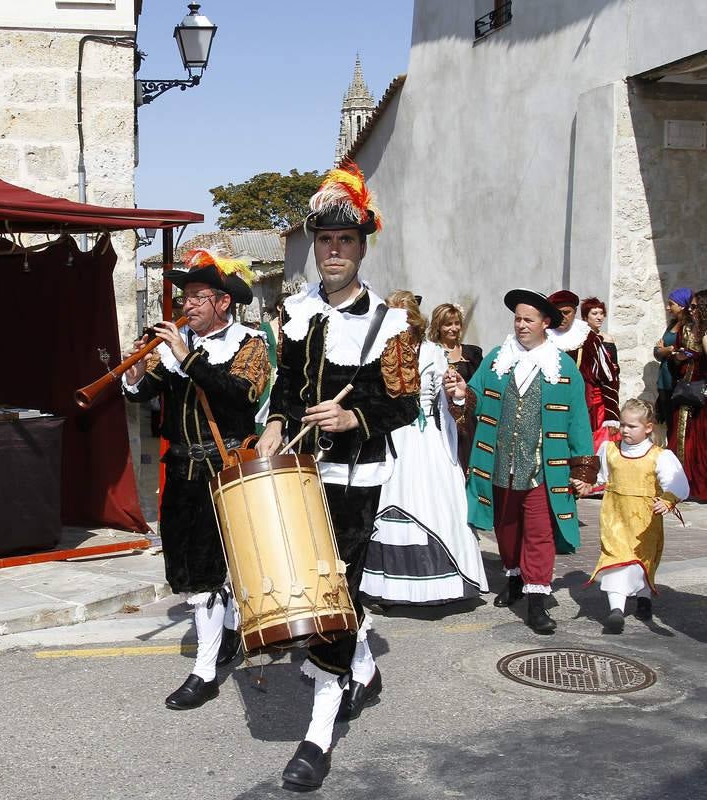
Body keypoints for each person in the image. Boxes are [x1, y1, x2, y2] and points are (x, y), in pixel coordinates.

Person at [256, 161, 420, 790]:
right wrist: (275, 421)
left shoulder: (391, 323)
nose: (332, 251)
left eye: (344, 241)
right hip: (300, 473)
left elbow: (404, 402)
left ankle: (318, 732)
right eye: (324, 240)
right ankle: (364, 669)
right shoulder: (297, 314)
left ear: (361, 247)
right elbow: (287, 393)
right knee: (308, 581)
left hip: (358, 476)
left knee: (330, 587)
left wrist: (355, 416)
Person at [123, 249, 269, 710]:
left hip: (225, 470)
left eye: (198, 297)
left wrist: (187, 357)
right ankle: (226, 635)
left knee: (213, 568)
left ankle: (204, 671)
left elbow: (240, 397)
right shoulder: (176, 344)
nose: (187, 305)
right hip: (183, 470)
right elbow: (148, 392)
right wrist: (135, 373)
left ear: (223, 302)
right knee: (189, 567)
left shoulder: (250, 344)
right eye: (186, 297)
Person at [450, 289, 599, 634]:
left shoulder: (563, 368)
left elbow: (578, 419)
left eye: (527, 319)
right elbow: (473, 396)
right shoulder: (497, 359)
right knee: (507, 528)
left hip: (542, 469)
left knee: (539, 532)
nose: (520, 325)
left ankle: (536, 600)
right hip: (500, 462)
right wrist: (460, 391)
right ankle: (514, 578)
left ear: (545, 323)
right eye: (517, 318)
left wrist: (584, 470)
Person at [360, 291, 488, 606]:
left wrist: (458, 395)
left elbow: (449, 401)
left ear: (415, 320)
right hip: (394, 437)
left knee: (436, 501)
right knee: (392, 499)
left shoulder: (433, 352)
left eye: (404, 318)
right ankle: (388, 587)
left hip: (428, 436)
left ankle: (443, 583)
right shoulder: (380, 353)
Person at [585, 399, 689, 632]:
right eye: (622, 425)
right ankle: (616, 610)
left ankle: (644, 598)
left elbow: (678, 484)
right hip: (615, 515)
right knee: (616, 559)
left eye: (632, 426)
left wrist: (668, 500)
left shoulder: (659, 456)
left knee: (641, 562)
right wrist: (585, 484)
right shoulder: (609, 450)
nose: (624, 430)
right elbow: (600, 478)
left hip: (645, 521)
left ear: (648, 427)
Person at [547, 290, 619, 450]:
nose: (562, 317)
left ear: (574, 312)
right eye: (557, 313)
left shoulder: (588, 338)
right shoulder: (542, 337)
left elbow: (609, 377)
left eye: (567, 313)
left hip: (580, 408)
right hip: (546, 408)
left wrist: (611, 414)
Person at [427, 303, 483, 472]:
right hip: (441, 418)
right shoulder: (431, 353)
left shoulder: (472, 353)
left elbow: (480, 385)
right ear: (438, 326)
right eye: (448, 324)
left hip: (467, 420)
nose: (454, 328)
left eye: (457, 323)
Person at [668, 289, 707, 501]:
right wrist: (680, 357)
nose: (690, 310)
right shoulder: (686, 329)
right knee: (684, 436)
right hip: (687, 388)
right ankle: (685, 483)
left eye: (694, 307)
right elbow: (675, 357)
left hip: (703, 389)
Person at [654, 288, 692, 439]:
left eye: (671, 304)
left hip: (679, 382)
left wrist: (667, 349)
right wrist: (666, 350)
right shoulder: (672, 325)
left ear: (682, 306)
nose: (668, 307)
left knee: (681, 427)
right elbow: (657, 351)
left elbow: (684, 352)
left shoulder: (688, 327)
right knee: (670, 426)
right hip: (665, 381)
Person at [255, 292, 291, 434]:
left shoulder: (295, 327)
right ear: (278, 307)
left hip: (287, 376)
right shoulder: (265, 328)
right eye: (285, 306)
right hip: (270, 376)